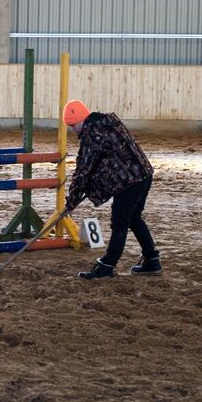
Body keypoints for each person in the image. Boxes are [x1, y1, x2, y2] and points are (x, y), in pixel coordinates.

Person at [63, 99, 161, 279]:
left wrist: (71, 202)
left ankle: (107, 265)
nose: (73, 130)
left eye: (73, 125)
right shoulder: (108, 122)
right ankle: (151, 260)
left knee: (120, 222)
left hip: (129, 180)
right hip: (144, 173)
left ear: (82, 120)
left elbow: (83, 170)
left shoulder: (92, 133)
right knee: (133, 219)